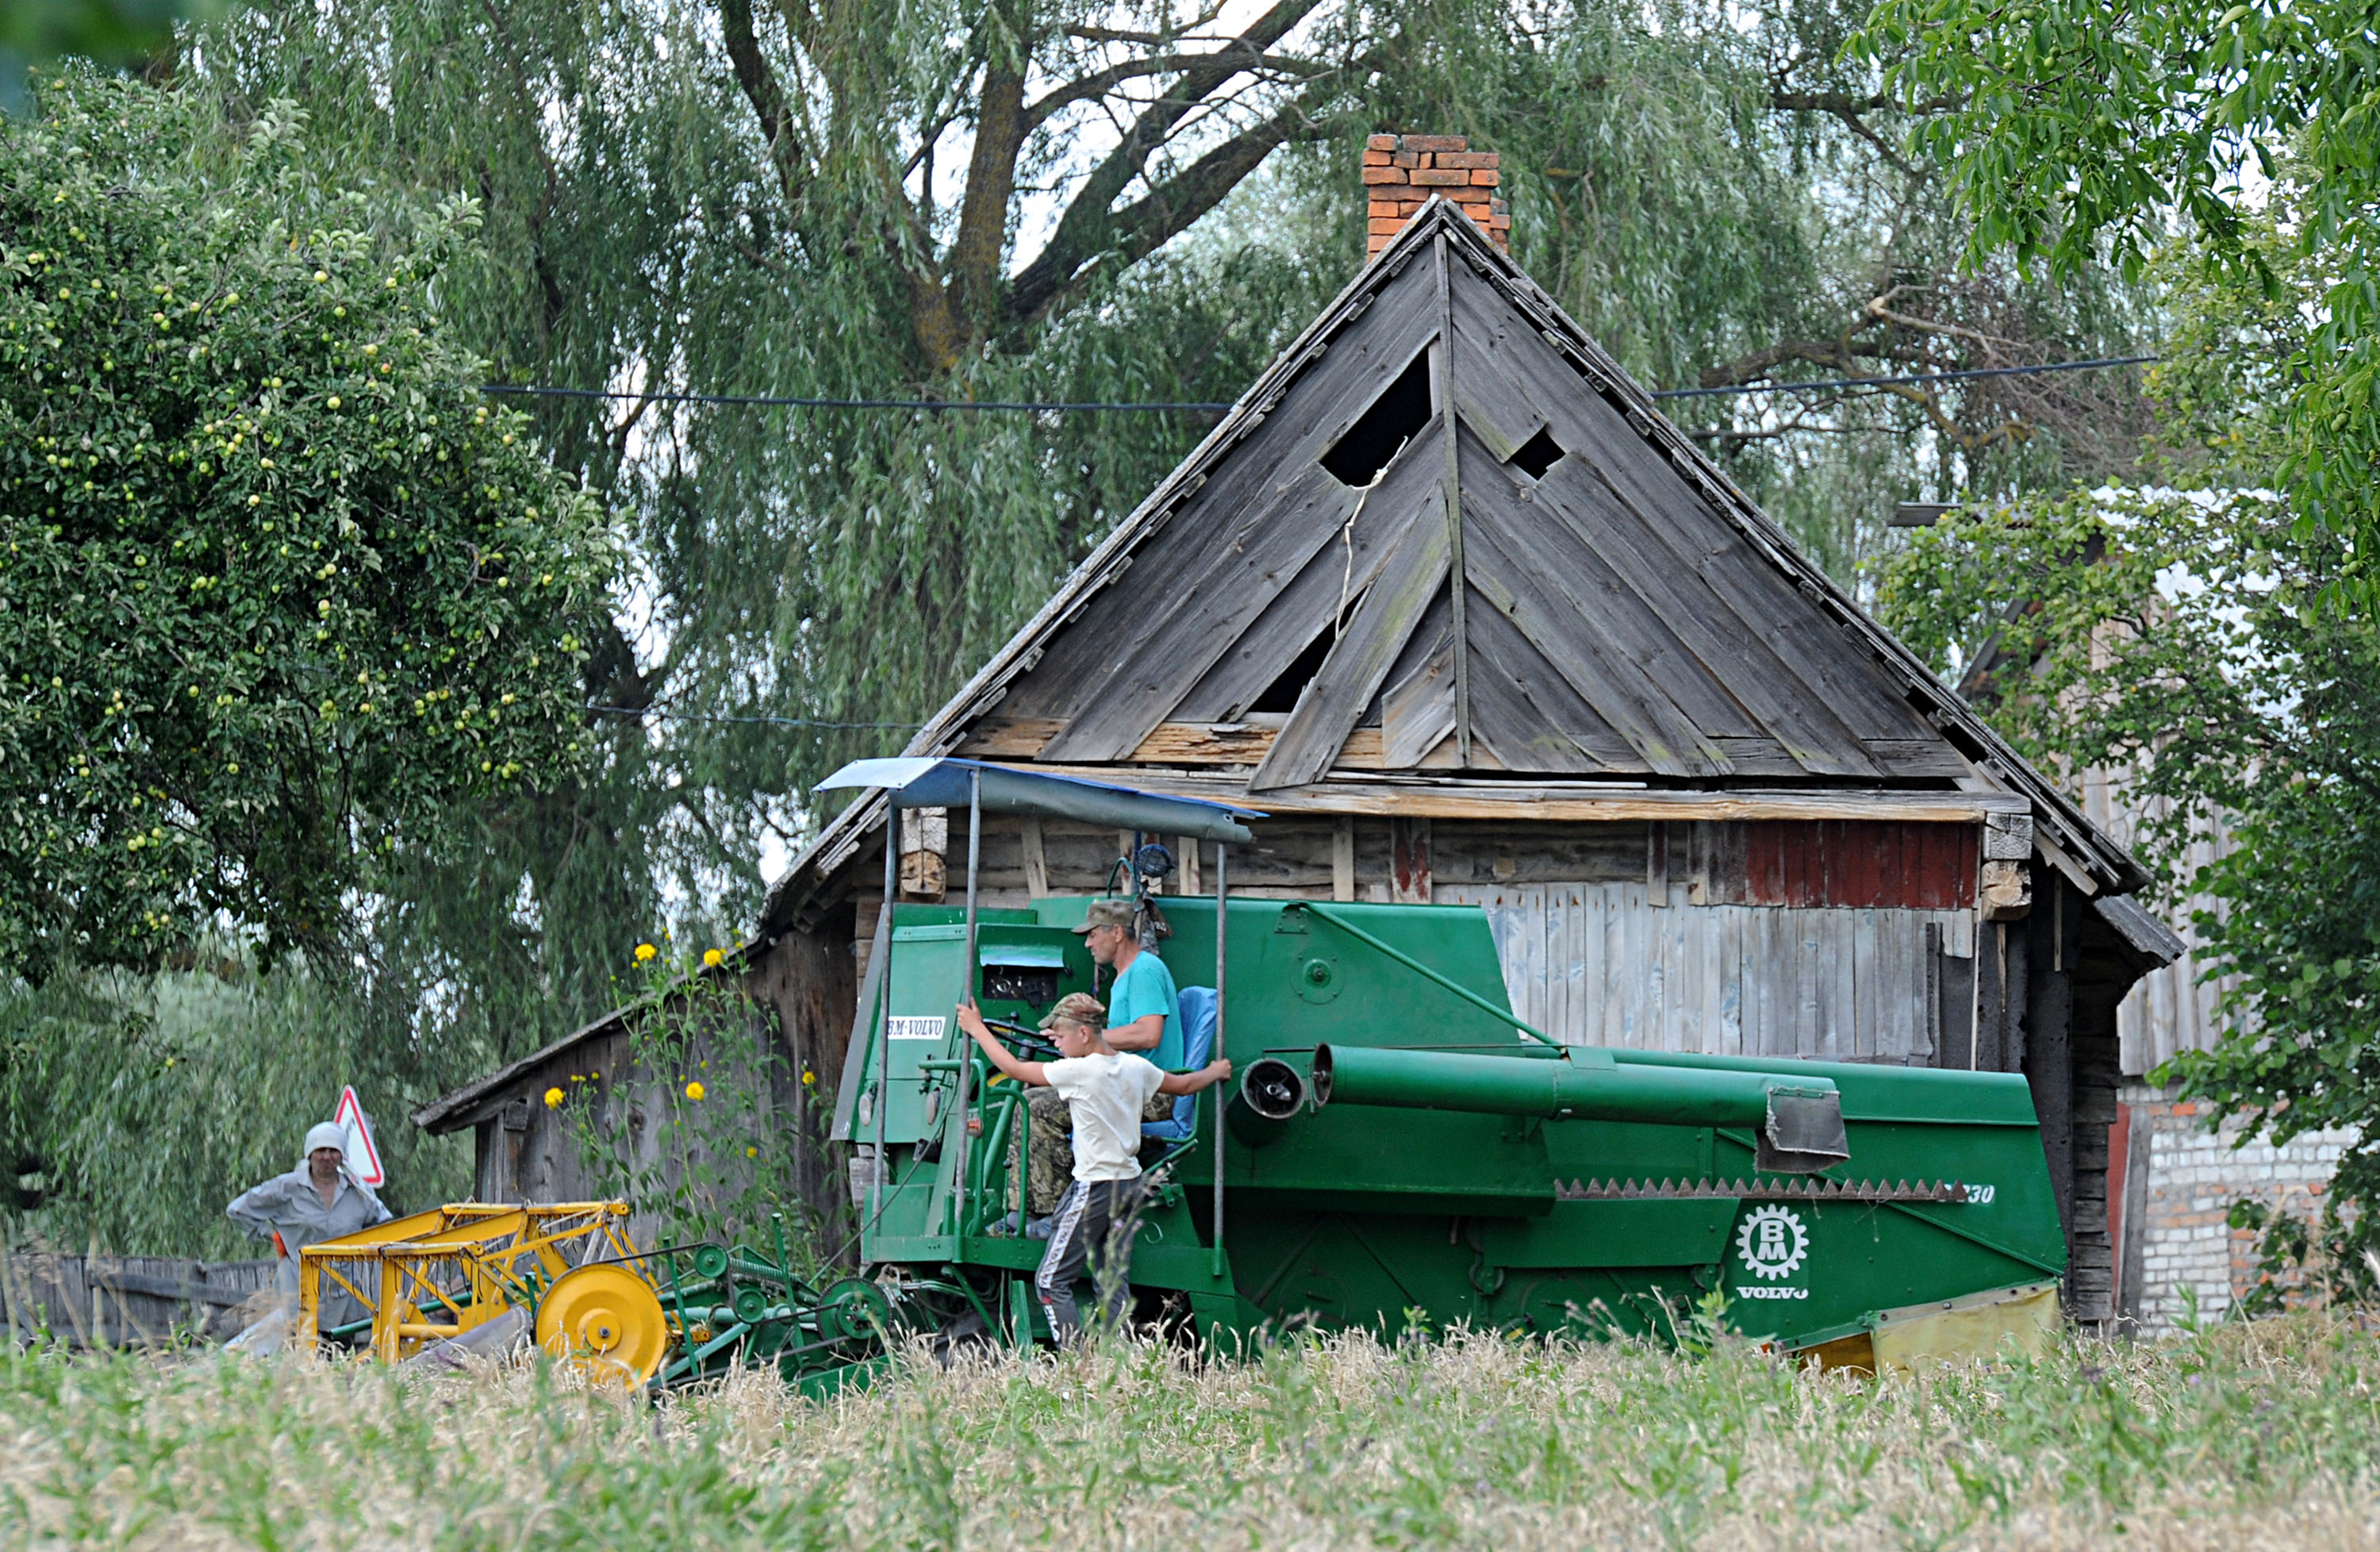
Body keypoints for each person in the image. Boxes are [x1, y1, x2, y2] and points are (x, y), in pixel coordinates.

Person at [958, 993, 1230, 1340]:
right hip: (1129, 1184)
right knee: (1110, 1280)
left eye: (1059, 1036)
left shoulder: (1080, 1071)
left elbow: (1013, 1069)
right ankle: (1118, 1361)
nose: (1056, 1043)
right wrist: (1216, 1071)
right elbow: (1184, 1085)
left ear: (1084, 1034)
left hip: (1095, 1187)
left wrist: (977, 1028)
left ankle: (1075, 1362)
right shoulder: (1135, 1067)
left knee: (1050, 1280)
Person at [227, 1121, 393, 1327]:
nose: (326, 1157)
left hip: (343, 1292)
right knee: (297, 1347)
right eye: (320, 1150)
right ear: (309, 1154)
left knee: (345, 1351)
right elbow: (238, 1210)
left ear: (342, 1155)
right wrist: (270, 1235)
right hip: (295, 1288)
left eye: (333, 1150)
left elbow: (383, 1222)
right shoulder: (286, 1188)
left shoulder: (359, 1192)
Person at [1077, 897, 1182, 1067]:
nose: (1088, 944)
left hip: (1150, 1089)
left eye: (1093, 935)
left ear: (1117, 933)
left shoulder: (1144, 970)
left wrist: (1089, 1037)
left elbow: (1149, 1035)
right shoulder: (1125, 975)